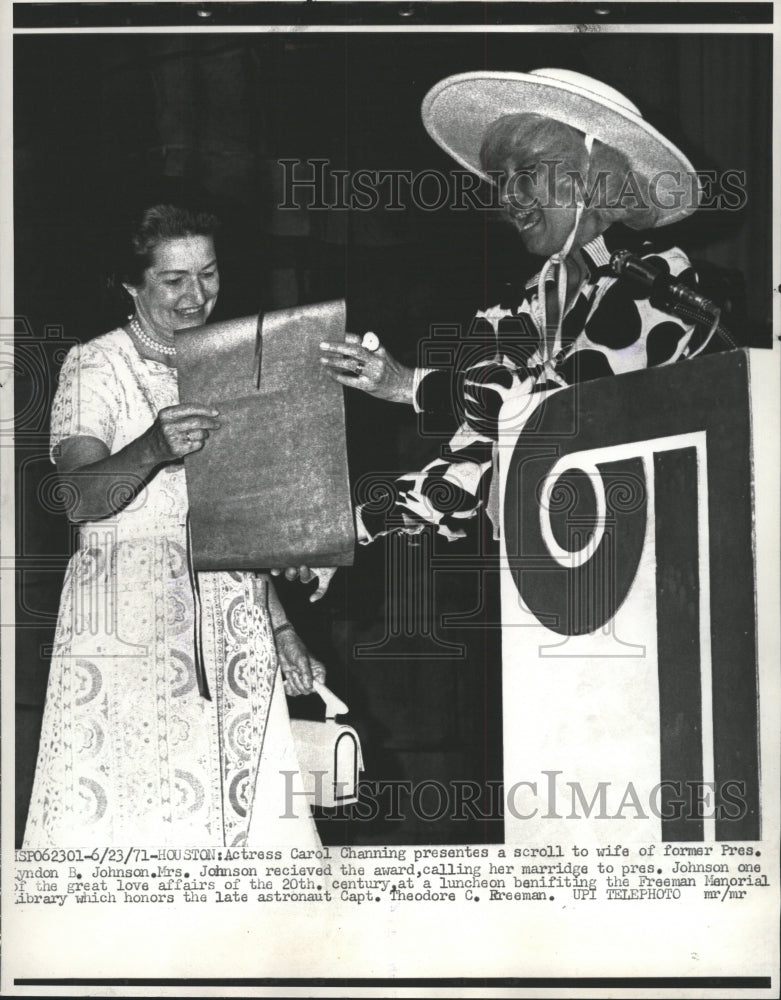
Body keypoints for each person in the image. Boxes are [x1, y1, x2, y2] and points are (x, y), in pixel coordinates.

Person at [317, 68, 731, 550]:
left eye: (529, 173)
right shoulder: (509, 313)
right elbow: (470, 465)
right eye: (501, 179)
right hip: (557, 571)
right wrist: (337, 534)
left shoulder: (659, 281)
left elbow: (553, 413)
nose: (509, 198)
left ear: (595, 177)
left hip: (667, 554)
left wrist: (407, 384)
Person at [23, 203, 325, 847]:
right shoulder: (95, 364)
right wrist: (152, 448)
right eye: (174, 281)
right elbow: (77, 497)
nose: (197, 296)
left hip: (232, 616)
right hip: (132, 617)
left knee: (241, 825)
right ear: (132, 283)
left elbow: (224, 521)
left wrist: (280, 625)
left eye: (209, 274)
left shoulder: (231, 361)